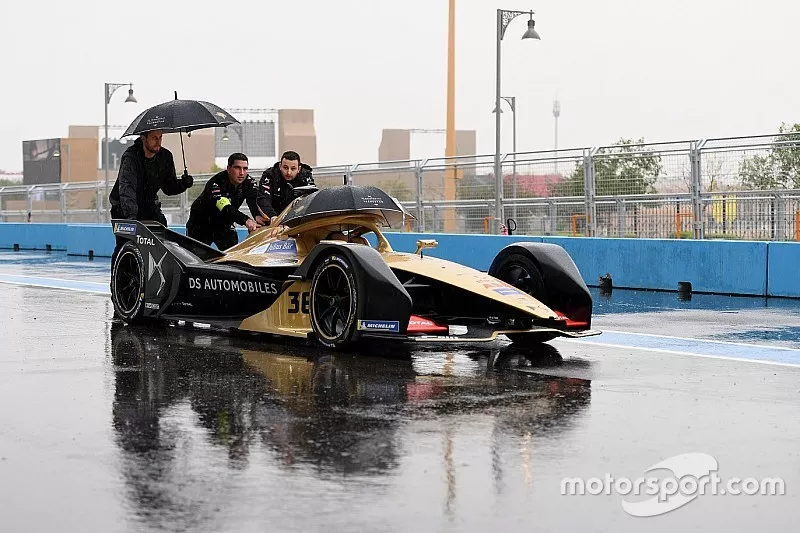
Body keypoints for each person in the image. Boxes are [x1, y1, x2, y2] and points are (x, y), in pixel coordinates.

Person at [109, 129, 193, 225]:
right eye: (154, 138)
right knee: (132, 233)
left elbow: (169, 187)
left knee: (161, 229)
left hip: (149, 203)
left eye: (160, 137)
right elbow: (127, 189)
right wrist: (131, 218)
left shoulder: (165, 157)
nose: (158, 142)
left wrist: (183, 183)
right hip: (123, 207)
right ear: (143, 138)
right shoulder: (131, 158)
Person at [185, 153, 260, 250]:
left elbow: (255, 203)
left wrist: (258, 218)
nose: (241, 173)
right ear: (228, 169)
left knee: (233, 254)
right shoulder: (215, 182)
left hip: (224, 223)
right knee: (194, 255)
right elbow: (225, 208)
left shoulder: (250, 182)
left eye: (245, 168)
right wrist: (246, 220)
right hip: (201, 223)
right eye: (237, 168)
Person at [256, 150, 314, 225]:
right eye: (285, 168)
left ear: (299, 169)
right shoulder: (270, 175)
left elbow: (311, 199)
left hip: (297, 220)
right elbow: (263, 198)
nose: (289, 172)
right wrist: (272, 216)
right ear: (280, 166)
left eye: (293, 168)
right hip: (272, 219)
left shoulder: (306, 176)